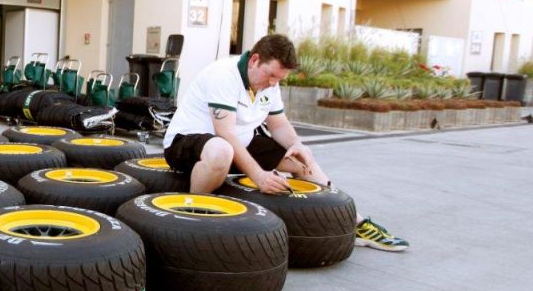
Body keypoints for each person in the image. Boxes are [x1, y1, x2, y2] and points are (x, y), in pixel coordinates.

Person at [162, 33, 408, 252]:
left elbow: (278, 125)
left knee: (302, 162)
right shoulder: (223, 74)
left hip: (239, 144)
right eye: (270, 75)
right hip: (186, 144)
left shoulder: (270, 83)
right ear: (255, 60)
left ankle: (355, 222)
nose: (272, 83)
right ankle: (193, 219)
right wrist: (259, 176)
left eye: (279, 79)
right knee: (221, 150)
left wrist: (298, 145)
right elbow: (225, 133)